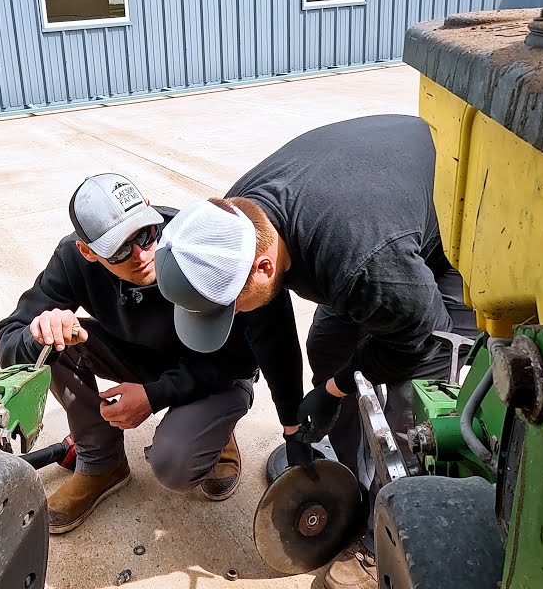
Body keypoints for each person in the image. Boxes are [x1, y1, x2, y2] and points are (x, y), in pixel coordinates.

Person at [153, 115, 477, 589]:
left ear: (263, 266)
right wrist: (291, 421)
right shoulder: (234, 224)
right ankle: (349, 482)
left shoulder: (360, 263)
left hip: (451, 235)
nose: (230, 314)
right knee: (327, 345)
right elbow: (266, 323)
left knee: (414, 408)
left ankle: (387, 539)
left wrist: (337, 386)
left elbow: (416, 338)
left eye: (227, 306)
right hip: (377, 206)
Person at [0, 173, 257, 535]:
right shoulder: (71, 261)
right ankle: (102, 463)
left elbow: (245, 355)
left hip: (216, 367)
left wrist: (156, 395)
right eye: (118, 248)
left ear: (150, 211)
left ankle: (217, 429)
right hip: (143, 356)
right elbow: (10, 342)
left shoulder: (189, 239)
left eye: (145, 235)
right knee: (53, 341)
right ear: (87, 251)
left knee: (175, 465)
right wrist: (38, 334)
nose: (141, 255)